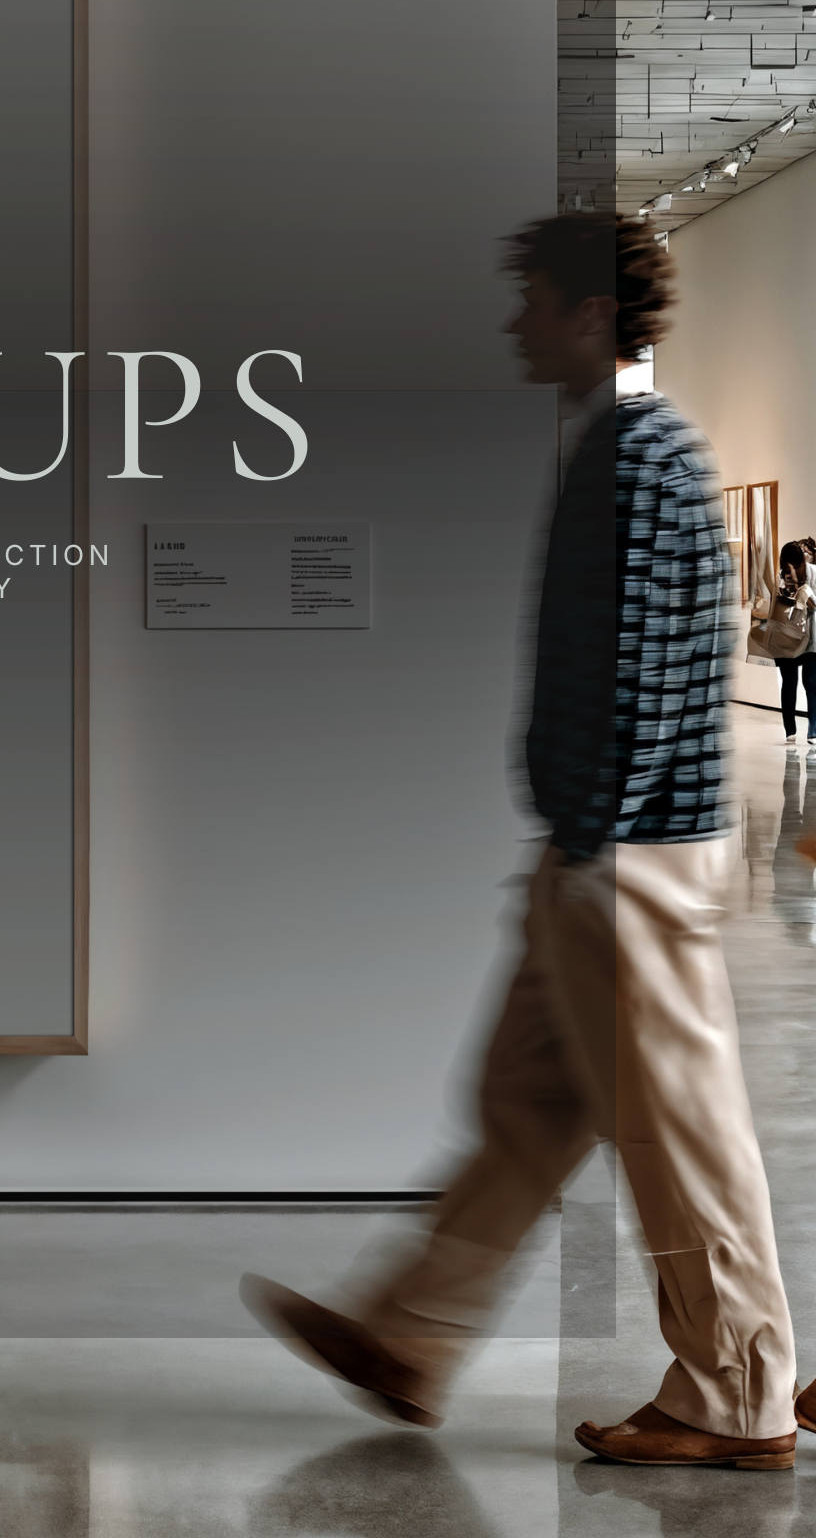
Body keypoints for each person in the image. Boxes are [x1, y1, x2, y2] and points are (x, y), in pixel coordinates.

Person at [242, 215, 798, 1471]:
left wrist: (594, 841)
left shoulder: (638, 451)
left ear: (589, 313)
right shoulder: (619, 443)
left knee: (674, 1128)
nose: (513, 323)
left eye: (530, 300)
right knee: (522, 1107)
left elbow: (655, 670)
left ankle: (736, 1392)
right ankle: (410, 1334)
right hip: (600, 847)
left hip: (626, 855)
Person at [764, 539, 816, 750]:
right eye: (787, 567)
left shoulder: (813, 573)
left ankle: (813, 729)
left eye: (795, 565)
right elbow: (774, 610)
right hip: (785, 637)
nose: (792, 570)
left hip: (811, 636)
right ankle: (790, 730)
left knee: (812, 682)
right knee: (789, 681)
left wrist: (808, 594)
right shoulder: (779, 578)